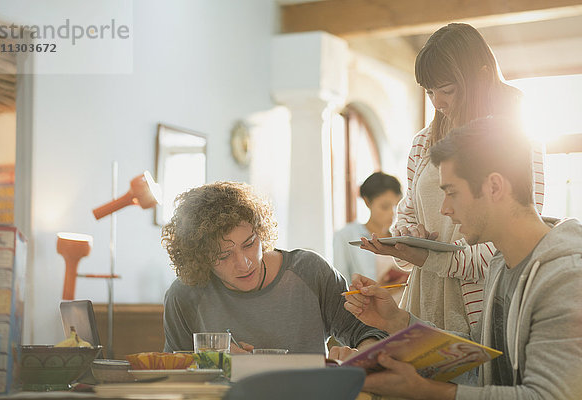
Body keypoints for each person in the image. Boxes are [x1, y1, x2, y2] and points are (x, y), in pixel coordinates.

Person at [344, 117, 582, 399]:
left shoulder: (567, 276)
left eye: (451, 193)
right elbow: (482, 367)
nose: (444, 209)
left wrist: (424, 390)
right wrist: (397, 320)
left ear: (494, 187)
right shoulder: (502, 264)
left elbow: (549, 396)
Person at [358, 23, 545, 335]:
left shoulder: (515, 140)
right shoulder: (423, 141)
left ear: (482, 77)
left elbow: (513, 244)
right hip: (423, 296)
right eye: (429, 92)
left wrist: (430, 257)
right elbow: (405, 216)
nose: (438, 103)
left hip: (482, 303)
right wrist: (407, 239)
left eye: (447, 90)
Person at [161, 181, 388, 354]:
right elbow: (177, 372)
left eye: (249, 244)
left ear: (261, 232)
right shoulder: (185, 295)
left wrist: (361, 356)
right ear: (200, 257)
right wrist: (218, 365)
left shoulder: (310, 271)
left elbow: (368, 331)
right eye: (223, 256)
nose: (244, 263)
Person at [333, 172, 405, 283]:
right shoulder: (346, 236)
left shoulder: (402, 237)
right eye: (385, 207)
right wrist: (380, 290)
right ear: (367, 202)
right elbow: (341, 286)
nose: (392, 213)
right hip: (369, 299)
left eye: (396, 206)